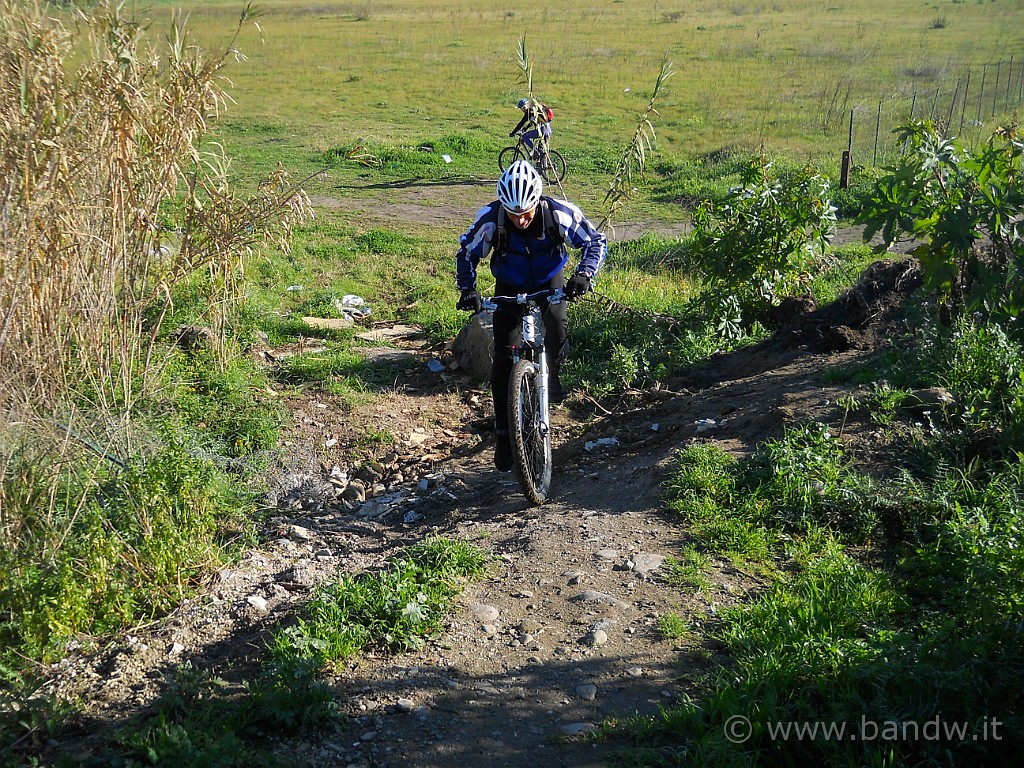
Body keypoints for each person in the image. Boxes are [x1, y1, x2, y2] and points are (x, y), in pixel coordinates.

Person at [455, 160, 607, 472]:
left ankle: (551, 378)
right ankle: (503, 434)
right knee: (503, 356)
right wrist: (468, 289)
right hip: (509, 283)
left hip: (550, 280)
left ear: (537, 201)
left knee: (555, 328)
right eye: (514, 214)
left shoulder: (558, 213)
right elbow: (467, 253)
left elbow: (595, 241)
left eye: (526, 212)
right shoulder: (491, 218)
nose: (521, 220)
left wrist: (584, 275)